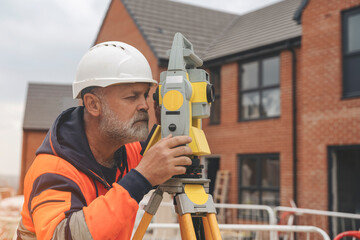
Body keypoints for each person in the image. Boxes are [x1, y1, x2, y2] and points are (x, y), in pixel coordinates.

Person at [16, 41, 193, 239]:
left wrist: (170, 125)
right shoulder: (54, 169)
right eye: (132, 97)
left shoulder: (128, 150)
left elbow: (174, 163)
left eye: (145, 95)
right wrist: (140, 179)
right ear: (93, 104)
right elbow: (62, 236)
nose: (145, 105)